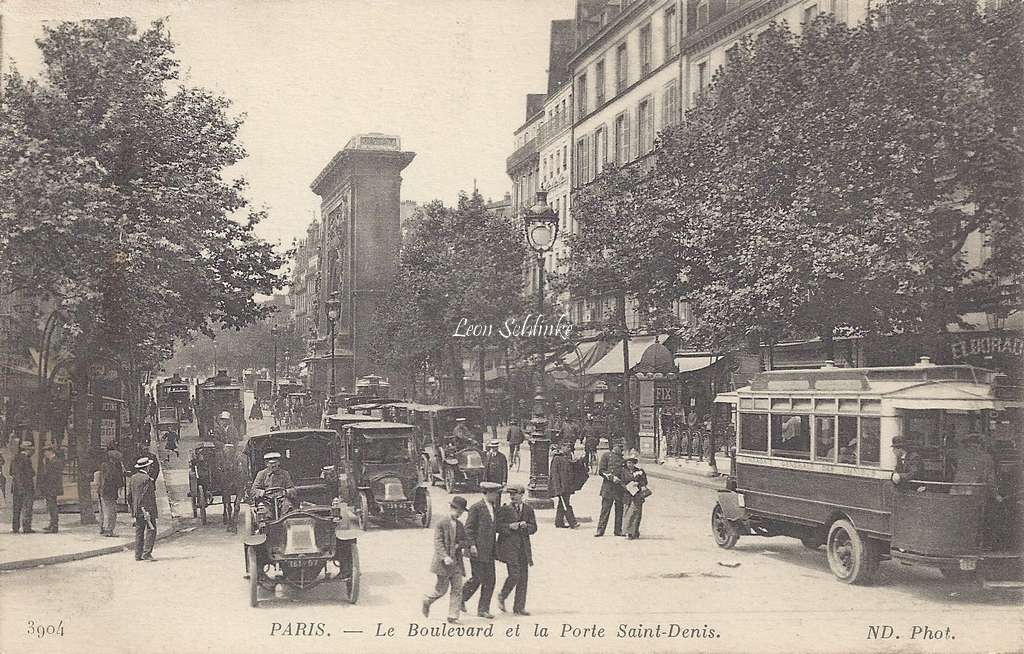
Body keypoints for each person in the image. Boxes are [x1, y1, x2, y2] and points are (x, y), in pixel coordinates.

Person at [422, 495, 470, 624]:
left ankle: (452, 616)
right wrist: (445, 557)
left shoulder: (460, 525)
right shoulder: (441, 523)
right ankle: (427, 600)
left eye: (461, 512)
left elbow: (465, 541)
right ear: (451, 508)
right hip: (443, 564)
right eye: (458, 511)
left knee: (457, 589)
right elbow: (438, 543)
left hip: (456, 563)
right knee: (441, 590)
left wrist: (459, 545)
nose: (459, 514)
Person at [495, 483, 537, 616]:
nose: (512, 497)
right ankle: (502, 595)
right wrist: (509, 527)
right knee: (514, 575)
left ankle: (519, 607)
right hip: (509, 547)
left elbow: (534, 527)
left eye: (515, 494)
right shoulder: (505, 509)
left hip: (523, 548)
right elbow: (497, 526)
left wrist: (526, 526)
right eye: (511, 494)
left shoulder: (528, 509)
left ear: (521, 495)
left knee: (523, 577)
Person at [461, 482, 501, 619]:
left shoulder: (493, 507)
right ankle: (460, 598)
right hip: (477, 550)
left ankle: (483, 609)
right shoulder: (476, 508)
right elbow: (468, 529)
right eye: (495, 493)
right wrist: (472, 545)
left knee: (490, 580)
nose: (496, 496)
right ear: (487, 493)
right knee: (477, 578)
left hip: (489, 550)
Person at [128, 457, 158, 561]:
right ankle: (147, 553)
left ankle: (138, 555)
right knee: (151, 530)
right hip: (147, 510)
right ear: (147, 467)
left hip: (137, 509)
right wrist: (148, 511)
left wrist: (133, 511)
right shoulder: (147, 479)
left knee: (139, 532)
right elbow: (148, 497)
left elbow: (129, 496)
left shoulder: (133, 478)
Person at [251, 451, 297, 518]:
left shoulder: (285, 474)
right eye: (271, 463)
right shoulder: (261, 474)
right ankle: (265, 527)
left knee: (288, 508)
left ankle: (286, 524)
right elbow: (253, 490)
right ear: (266, 464)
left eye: (275, 463)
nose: (273, 465)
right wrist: (262, 492)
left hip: (281, 500)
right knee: (263, 512)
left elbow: (292, 489)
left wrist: (287, 491)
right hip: (266, 501)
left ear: (279, 463)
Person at [595, 440, 626, 537]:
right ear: (614, 447)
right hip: (608, 488)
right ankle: (600, 530)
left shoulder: (623, 460)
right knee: (605, 509)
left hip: (619, 489)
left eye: (622, 447)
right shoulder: (606, 456)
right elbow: (601, 471)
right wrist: (612, 477)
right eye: (619, 446)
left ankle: (618, 530)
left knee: (619, 509)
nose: (620, 448)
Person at [549, 442, 580, 529]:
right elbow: (555, 475)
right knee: (566, 504)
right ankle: (572, 522)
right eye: (567, 446)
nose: (569, 448)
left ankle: (559, 522)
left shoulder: (566, 457)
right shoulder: (557, 458)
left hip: (567, 485)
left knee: (562, 504)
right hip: (562, 486)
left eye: (569, 447)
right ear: (562, 447)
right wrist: (557, 488)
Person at [622, 451, 650, 540]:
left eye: (632, 463)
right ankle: (628, 533)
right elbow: (621, 482)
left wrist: (638, 483)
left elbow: (645, 482)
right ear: (626, 463)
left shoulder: (640, 471)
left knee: (637, 513)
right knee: (628, 514)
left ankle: (635, 531)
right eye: (628, 462)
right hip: (627, 494)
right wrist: (627, 486)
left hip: (637, 495)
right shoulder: (623, 471)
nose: (630, 464)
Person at [11, 438, 36, 533]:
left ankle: (15, 527)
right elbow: (31, 473)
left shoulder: (15, 458)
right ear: (27, 450)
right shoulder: (26, 459)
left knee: (16, 508)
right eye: (31, 450)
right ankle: (26, 527)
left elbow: (11, 472)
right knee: (27, 507)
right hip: (26, 487)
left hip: (16, 487)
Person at [98, 449, 123, 536]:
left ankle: (102, 528)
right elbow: (116, 480)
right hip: (110, 492)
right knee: (111, 512)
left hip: (102, 491)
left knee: (103, 510)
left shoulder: (103, 465)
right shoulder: (113, 468)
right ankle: (109, 530)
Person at [39, 446, 64, 533]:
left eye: (46, 452)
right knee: (51, 506)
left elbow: (52, 476)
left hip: (52, 487)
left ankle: (54, 526)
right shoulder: (51, 461)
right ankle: (52, 524)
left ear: (51, 451)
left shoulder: (55, 462)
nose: (45, 454)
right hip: (50, 487)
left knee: (52, 506)